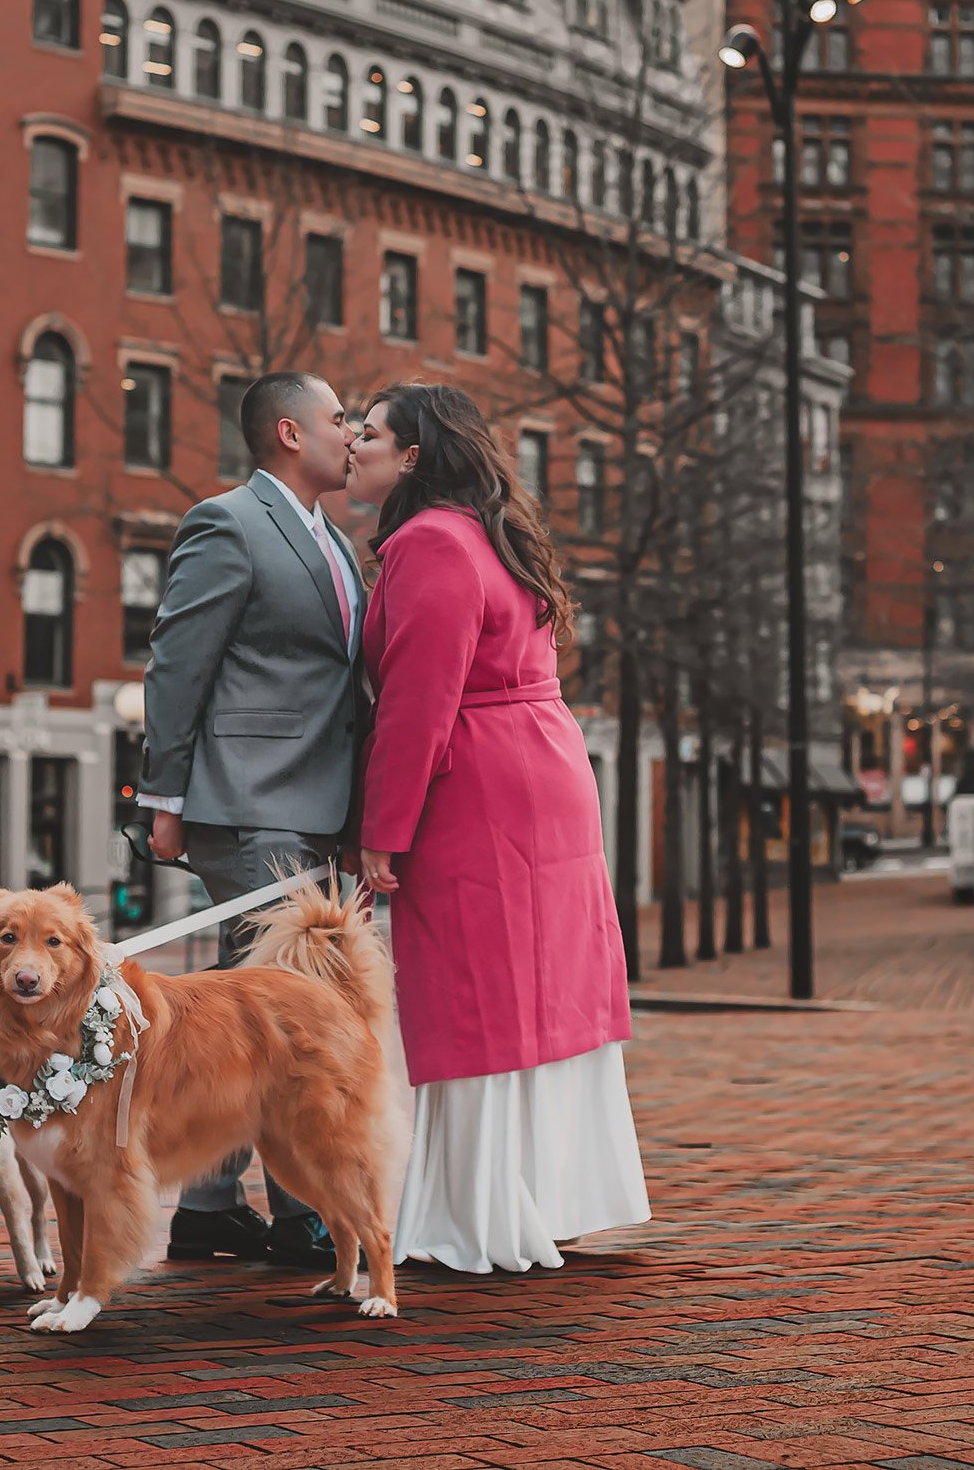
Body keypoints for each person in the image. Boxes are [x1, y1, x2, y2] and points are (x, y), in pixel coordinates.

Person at [346, 382, 648, 1274]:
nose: (355, 444)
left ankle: (479, 1213)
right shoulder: (483, 532)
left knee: (477, 994)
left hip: (482, 786)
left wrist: (382, 830)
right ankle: (546, 1197)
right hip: (537, 771)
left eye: (370, 432)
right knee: (542, 995)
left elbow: (418, 701)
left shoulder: (431, 542)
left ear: (411, 456)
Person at [138, 371, 363, 1273]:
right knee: (287, 1013)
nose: (353, 434)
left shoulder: (339, 542)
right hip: (250, 802)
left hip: (314, 803)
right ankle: (299, 1213)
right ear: (289, 433)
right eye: (340, 418)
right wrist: (163, 799)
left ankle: (207, 1206)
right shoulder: (226, 522)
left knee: (241, 1013)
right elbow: (177, 664)